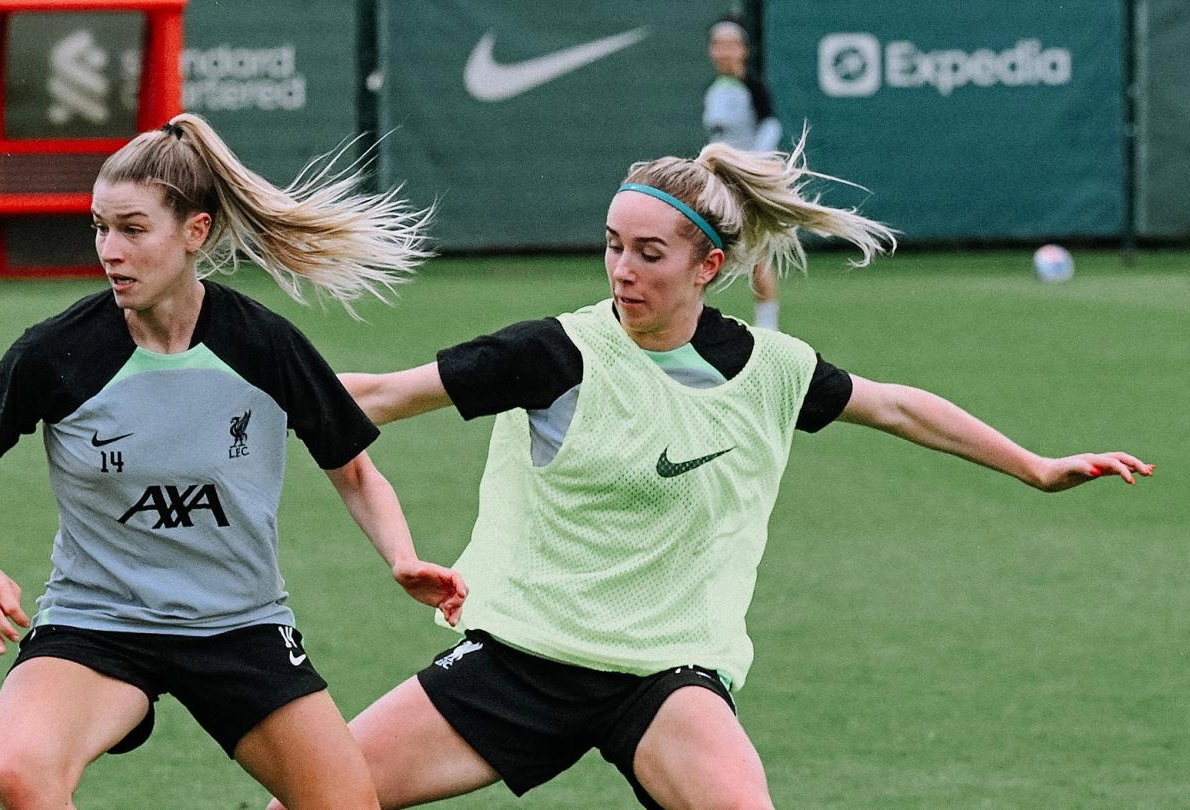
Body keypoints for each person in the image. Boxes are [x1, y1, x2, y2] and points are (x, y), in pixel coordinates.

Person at [271, 138, 1154, 810]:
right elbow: (379, 394)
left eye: (650, 254)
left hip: (666, 671)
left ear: (710, 267)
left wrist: (1034, 467)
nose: (623, 269)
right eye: (613, 245)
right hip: (520, 659)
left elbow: (893, 405)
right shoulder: (551, 352)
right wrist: (221, 399)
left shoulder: (772, 369)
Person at [0, 112, 467, 810]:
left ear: (196, 232)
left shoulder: (262, 345)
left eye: (132, 228)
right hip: (98, 624)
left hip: (240, 626)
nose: (109, 250)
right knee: (21, 771)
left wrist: (401, 556)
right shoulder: (57, 352)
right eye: (99, 227)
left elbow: (355, 469)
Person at [703, 17, 784, 331]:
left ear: (743, 50)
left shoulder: (751, 86)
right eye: (718, 45)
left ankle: (768, 330)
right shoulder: (714, 91)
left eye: (730, 45)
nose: (723, 52)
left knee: (757, 256)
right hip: (717, 182)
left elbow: (770, 125)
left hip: (744, 182)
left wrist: (750, 165)